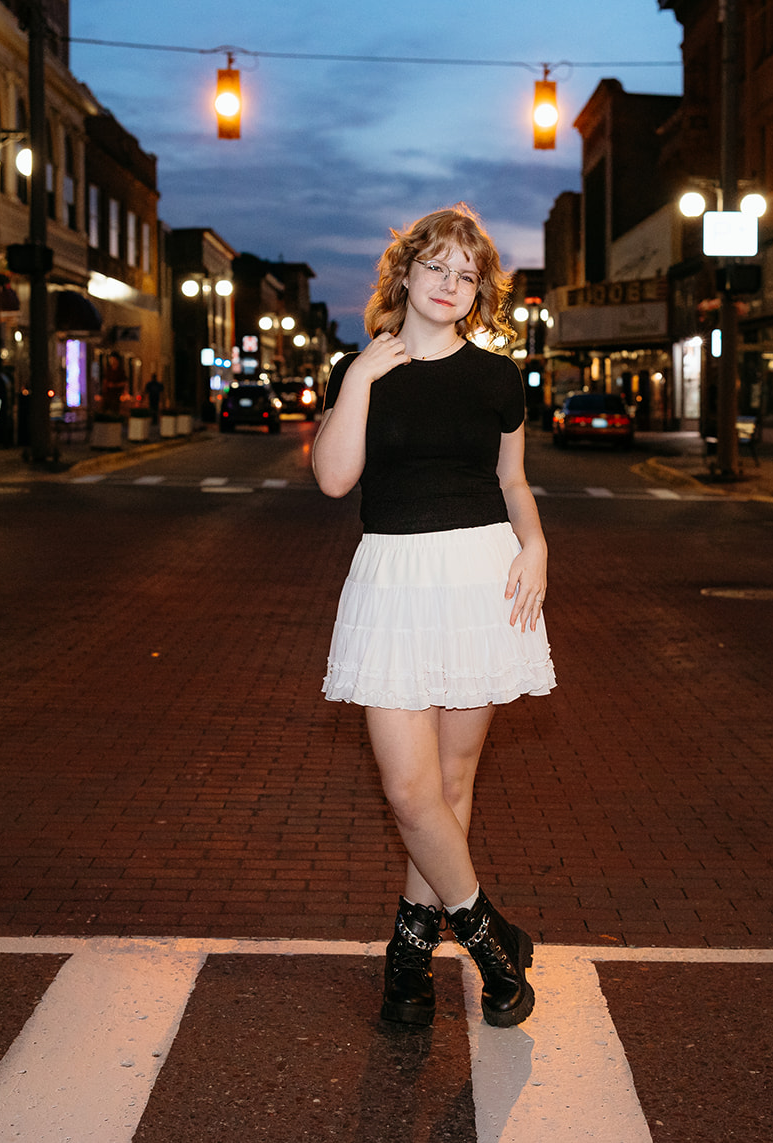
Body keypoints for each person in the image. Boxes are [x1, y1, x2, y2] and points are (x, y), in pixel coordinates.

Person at [312, 204, 555, 1029]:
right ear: (406, 273)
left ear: (478, 289)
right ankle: (492, 942)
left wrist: (538, 544)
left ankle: (409, 954)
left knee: (452, 785)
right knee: (409, 789)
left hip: (480, 578)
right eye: (438, 268)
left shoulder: (496, 378)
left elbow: (514, 482)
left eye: (467, 274)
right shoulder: (362, 369)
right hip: (394, 580)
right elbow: (335, 480)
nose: (451, 285)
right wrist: (357, 383)